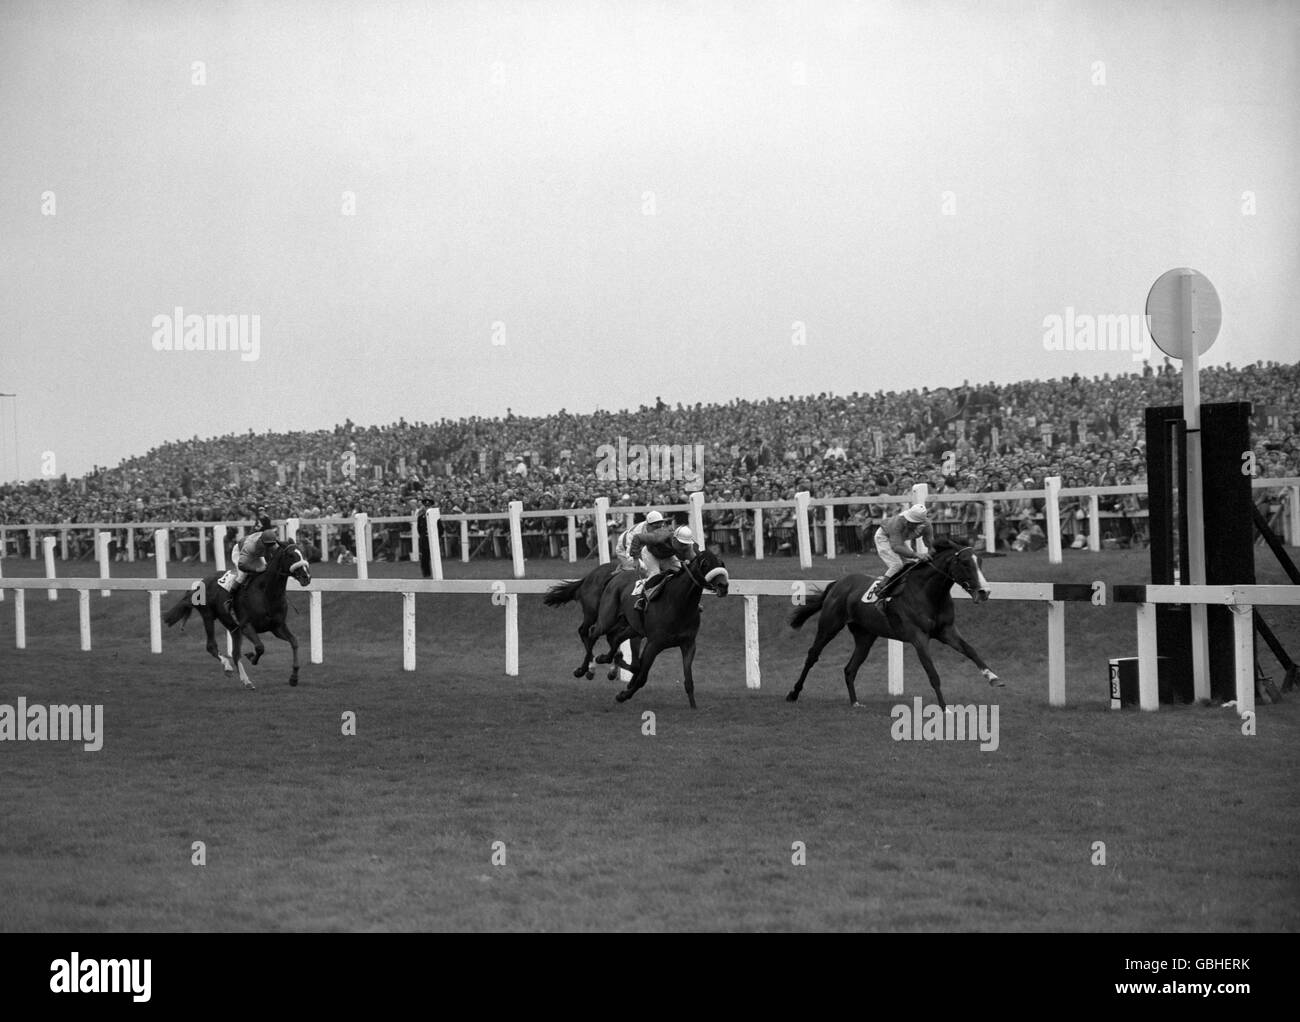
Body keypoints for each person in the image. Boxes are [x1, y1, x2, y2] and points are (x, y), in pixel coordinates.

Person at [862, 503, 933, 604]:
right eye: (909, 520)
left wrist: (931, 553)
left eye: (913, 522)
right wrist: (917, 554)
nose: (909, 523)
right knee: (897, 564)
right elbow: (896, 547)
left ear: (921, 522)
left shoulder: (927, 525)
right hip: (884, 537)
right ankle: (881, 588)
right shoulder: (897, 522)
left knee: (911, 564)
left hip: (899, 540)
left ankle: (904, 588)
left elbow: (930, 543)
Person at [631, 524, 700, 611]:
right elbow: (637, 538)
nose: (683, 547)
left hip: (666, 555)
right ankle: (642, 599)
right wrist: (636, 559)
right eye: (681, 544)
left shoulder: (688, 544)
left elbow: (697, 556)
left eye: (685, 544)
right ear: (674, 539)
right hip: (650, 553)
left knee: (679, 573)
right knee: (655, 574)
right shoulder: (658, 537)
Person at [229, 515, 281, 623]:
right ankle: (230, 602)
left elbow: (276, 551)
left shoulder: (269, 540)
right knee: (242, 575)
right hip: (240, 552)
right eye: (269, 545)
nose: (271, 547)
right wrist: (257, 570)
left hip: (257, 552)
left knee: (266, 569)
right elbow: (242, 565)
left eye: (272, 545)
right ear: (262, 542)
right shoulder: (250, 546)